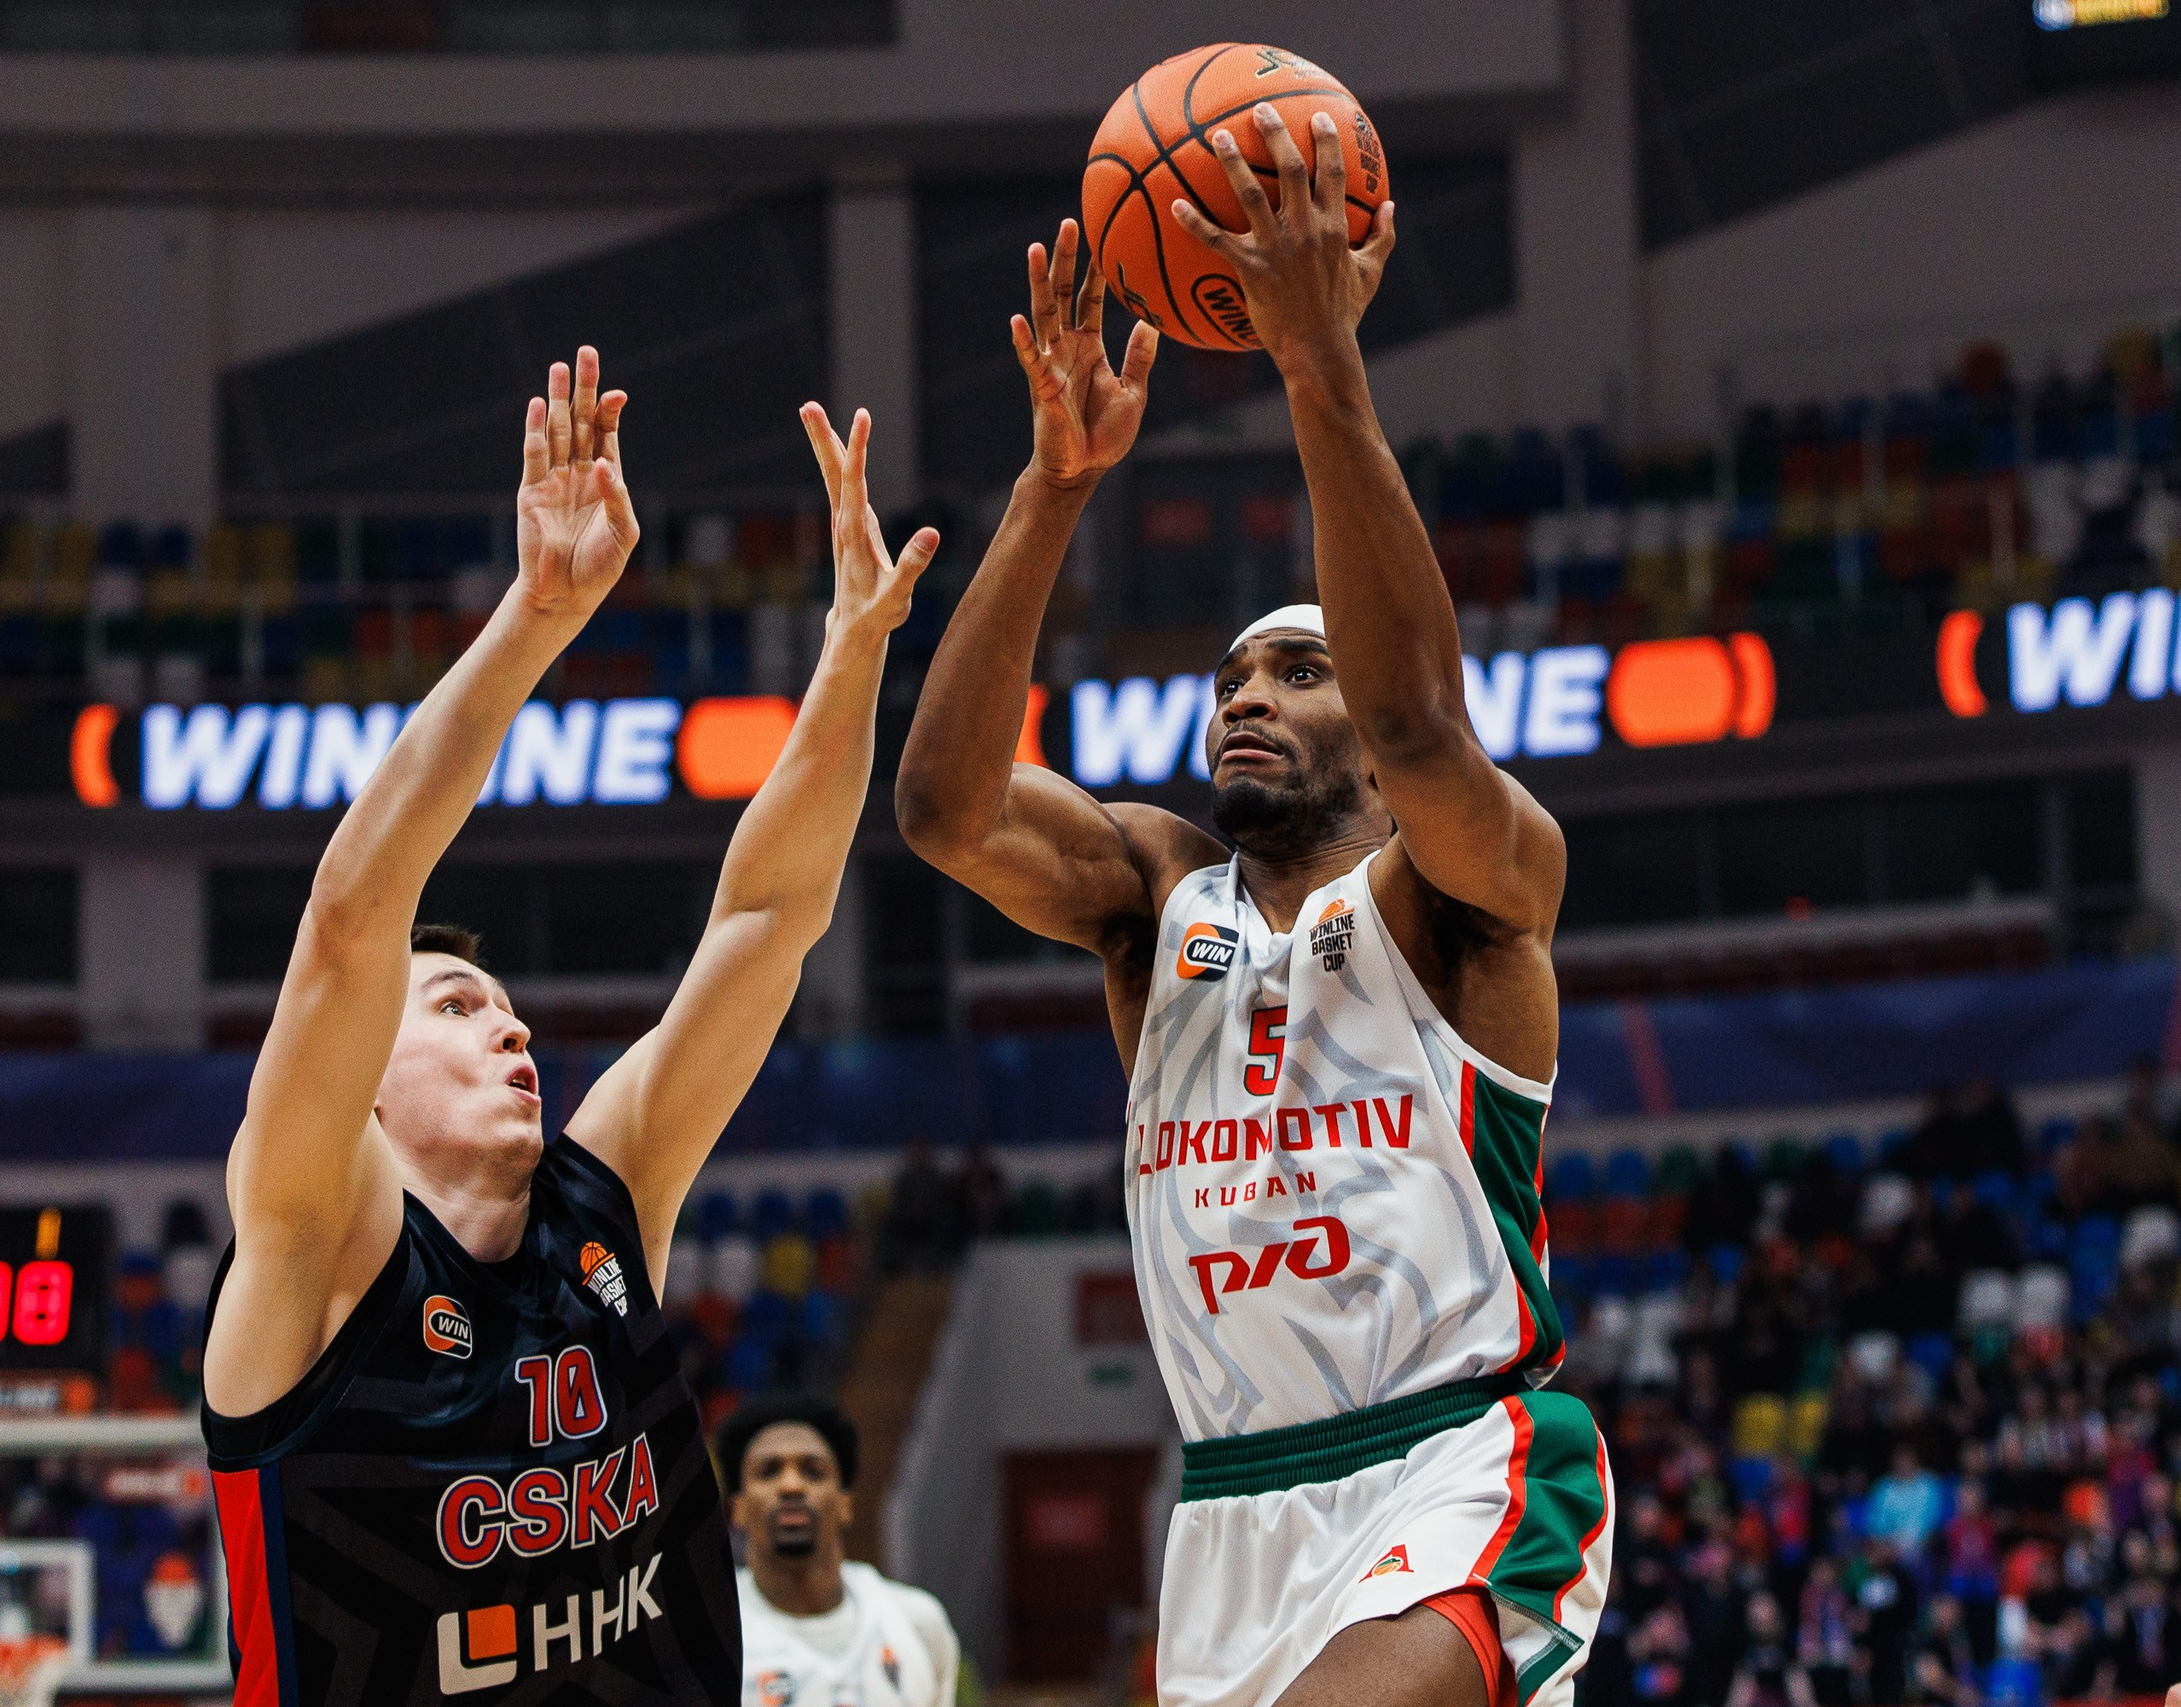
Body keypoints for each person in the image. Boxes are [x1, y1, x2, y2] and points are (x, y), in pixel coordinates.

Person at [895, 100, 1610, 1707]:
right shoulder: (1155, 895)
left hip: (1459, 1461)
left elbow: (1428, 723)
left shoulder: (1472, 888)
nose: (1246, 697)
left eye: (1297, 669)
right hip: (1227, 1510)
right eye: (1227, 678)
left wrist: (1317, 366)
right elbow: (941, 806)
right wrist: (1054, 485)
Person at [198, 347, 937, 1706]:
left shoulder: (602, 1205)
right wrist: (537, 617)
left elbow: (767, 919)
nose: (515, 1030)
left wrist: (854, 651)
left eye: (516, 1009)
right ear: (361, 1083)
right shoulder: (317, 1254)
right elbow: (356, 917)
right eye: (462, 1005)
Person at [716, 1393, 960, 1707]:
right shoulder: (709, 1635)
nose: (791, 1486)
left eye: (813, 1471)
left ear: (845, 1503)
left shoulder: (918, 1623)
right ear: (737, 1508)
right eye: (769, 1471)